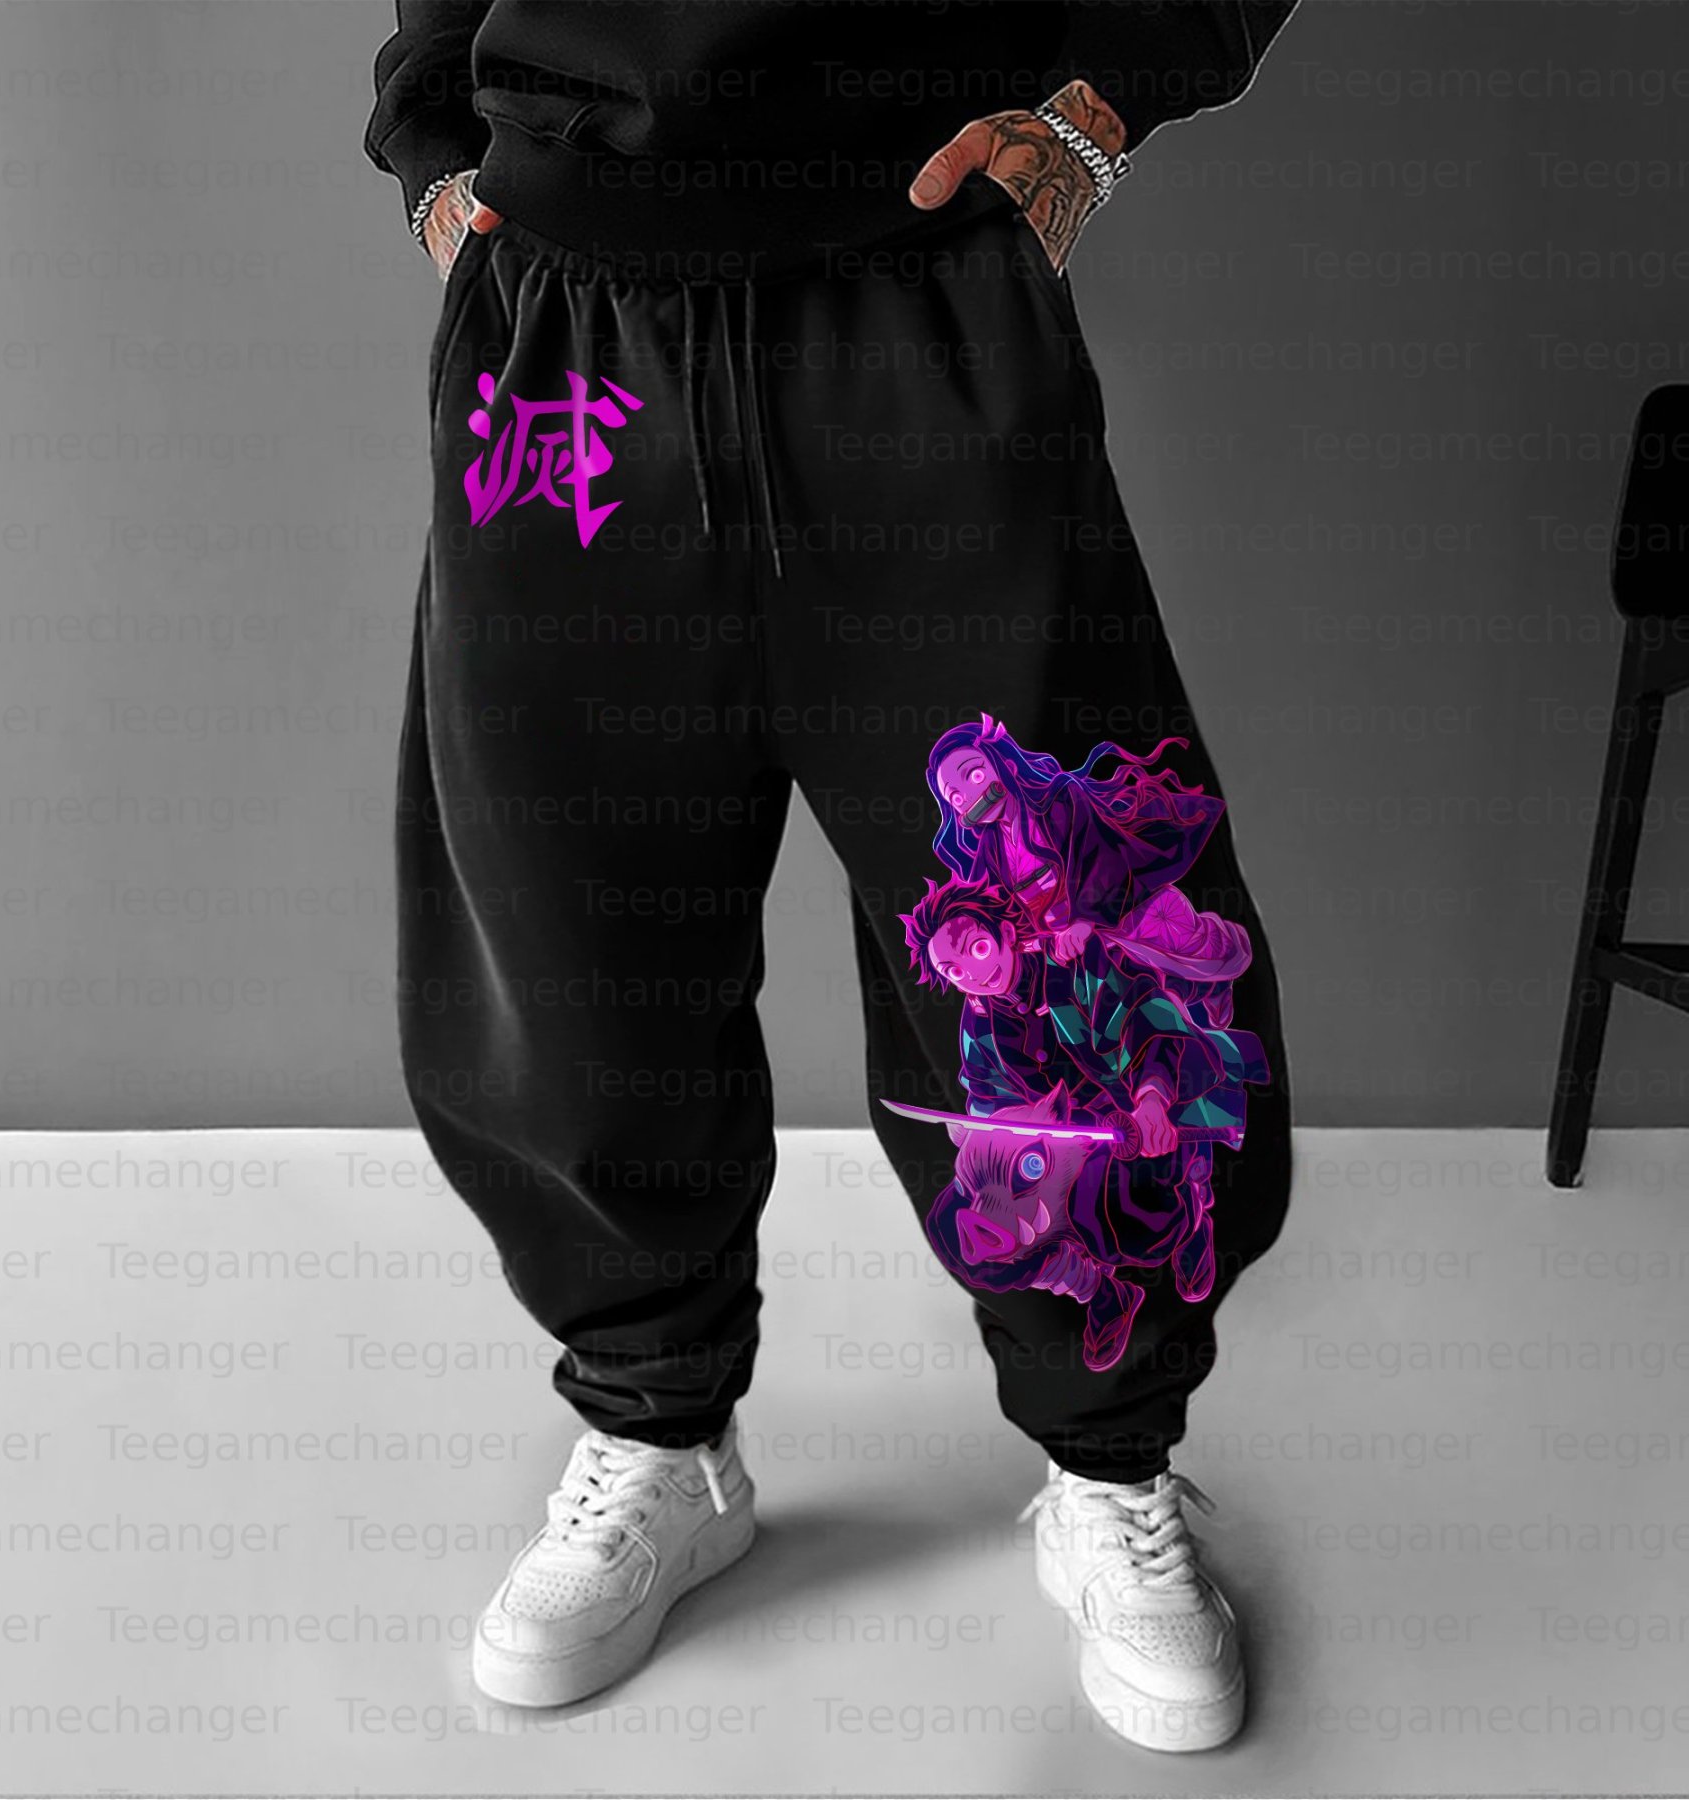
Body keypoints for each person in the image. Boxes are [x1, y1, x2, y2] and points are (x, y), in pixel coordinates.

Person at [365, 0, 1296, 1753]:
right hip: (568, 325)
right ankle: (653, 1424)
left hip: (917, 292)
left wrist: (1098, 109)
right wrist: (433, 147)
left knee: (1059, 924)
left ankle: (1112, 1456)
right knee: (569, 926)